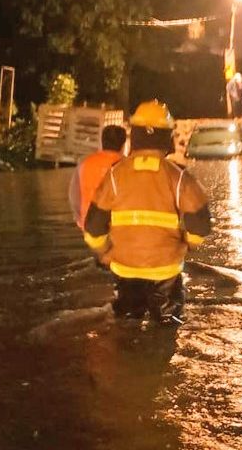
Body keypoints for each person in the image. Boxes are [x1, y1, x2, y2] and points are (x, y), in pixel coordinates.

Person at [83, 101, 213, 325]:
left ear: (135, 135)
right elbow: (201, 224)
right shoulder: (178, 177)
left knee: (125, 330)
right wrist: (187, 245)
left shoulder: (115, 175)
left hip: (125, 271)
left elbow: (93, 227)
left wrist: (104, 253)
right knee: (167, 332)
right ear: (166, 136)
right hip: (166, 273)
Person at [69, 124, 127, 229]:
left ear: (102, 142)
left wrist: (80, 220)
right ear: (123, 145)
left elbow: (74, 195)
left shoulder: (84, 164)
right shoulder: (127, 166)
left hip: (89, 227)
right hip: (121, 229)